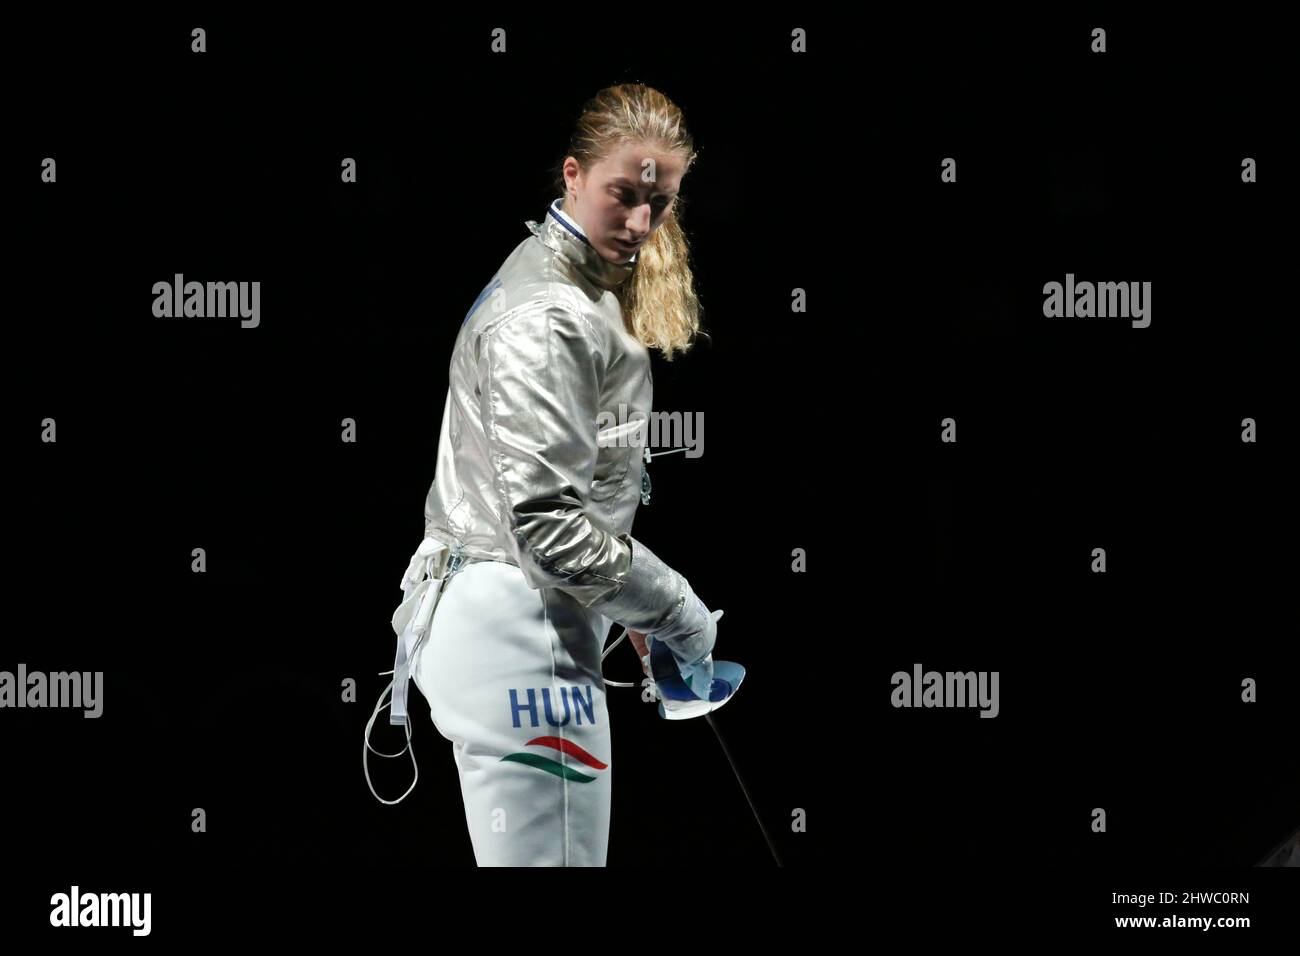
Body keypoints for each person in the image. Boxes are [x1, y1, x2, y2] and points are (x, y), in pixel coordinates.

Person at [387, 83, 729, 866]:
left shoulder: (570, 289)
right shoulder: (547, 313)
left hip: (511, 623)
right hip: (522, 631)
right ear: (572, 175)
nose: (642, 222)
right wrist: (677, 613)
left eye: (661, 202)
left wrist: (632, 612)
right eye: (624, 194)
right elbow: (550, 533)